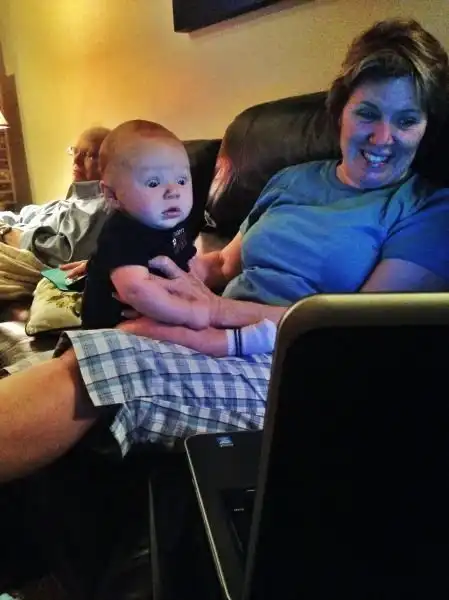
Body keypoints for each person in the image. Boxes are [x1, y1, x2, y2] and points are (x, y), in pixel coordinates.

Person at [1, 17, 449, 483]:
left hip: (289, 365)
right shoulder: (292, 180)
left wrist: (215, 311)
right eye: (368, 114)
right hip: (217, 334)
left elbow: (358, 332)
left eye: (406, 120)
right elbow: (219, 262)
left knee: (101, 367)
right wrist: (134, 271)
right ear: (340, 112)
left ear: (427, 127)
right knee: (97, 348)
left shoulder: (428, 210)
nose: (382, 138)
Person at [81, 120, 197, 329]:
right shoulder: (121, 232)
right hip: (114, 328)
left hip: (161, 314)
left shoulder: (176, 222)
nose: (174, 192)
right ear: (112, 195)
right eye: (153, 183)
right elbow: (136, 290)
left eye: (181, 180)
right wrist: (190, 313)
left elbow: (187, 261)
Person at [0, 126, 111, 267]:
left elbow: (65, 258)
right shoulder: (66, 202)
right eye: (75, 151)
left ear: (111, 165)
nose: (76, 160)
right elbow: (24, 215)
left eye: (89, 155)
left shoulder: (99, 207)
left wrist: (8, 233)